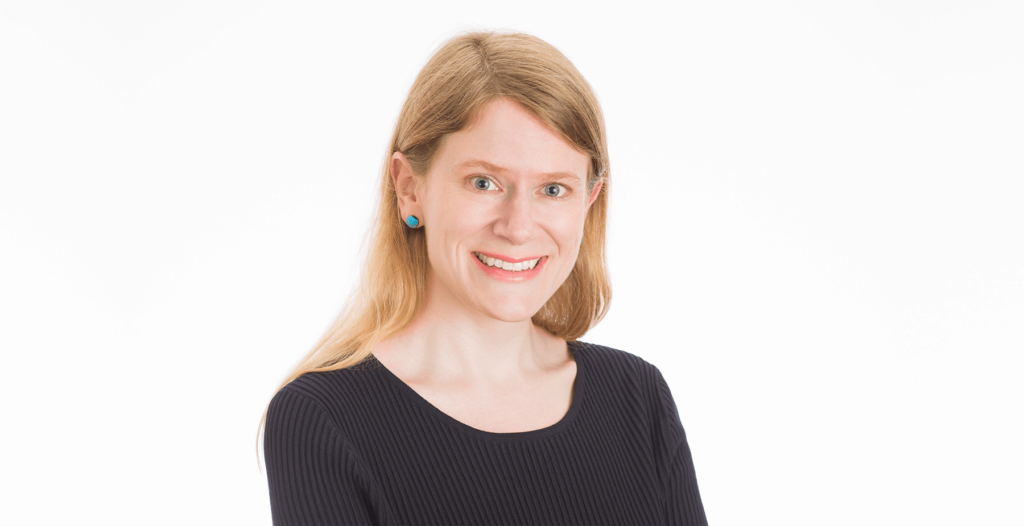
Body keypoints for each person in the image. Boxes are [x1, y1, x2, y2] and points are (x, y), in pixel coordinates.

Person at [259, 31, 707, 525]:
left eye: (553, 189)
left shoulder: (636, 397)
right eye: (484, 183)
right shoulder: (324, 419)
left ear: (589, 200)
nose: (517, 226)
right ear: (409, 189)